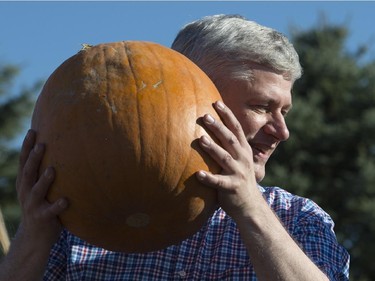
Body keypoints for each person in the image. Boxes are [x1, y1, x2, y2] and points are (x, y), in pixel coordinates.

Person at [0, 14, 349, 280]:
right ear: (193, 94)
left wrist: (250, 209)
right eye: (261, 107)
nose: (281, 131)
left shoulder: (299, 219)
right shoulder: (77, 223)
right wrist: (33, 235)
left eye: (284, 111)